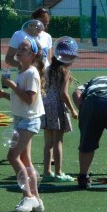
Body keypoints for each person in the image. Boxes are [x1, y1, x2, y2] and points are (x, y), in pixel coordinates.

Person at [0, 36, 46, 212]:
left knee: (12, 156)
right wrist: (5, 94)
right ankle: (37, 200)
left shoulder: (31, 73)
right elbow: (20, 98)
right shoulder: (23, 72)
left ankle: (28, 196)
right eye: (19, 48)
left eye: (24, 49)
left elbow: (30, 100)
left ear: (32, 55)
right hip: (21, 118)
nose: (19, 51)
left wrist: (12, 85)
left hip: (28, 120)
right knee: (25, 160)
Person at [41, 38, 79, 182]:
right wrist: (73, 110)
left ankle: (47, 172)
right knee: (58, 142)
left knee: (48, 143)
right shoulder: (65, 71)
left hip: (46, 106)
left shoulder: (49, 68)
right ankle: (58, 172)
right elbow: (63, 94)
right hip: (57, 107)